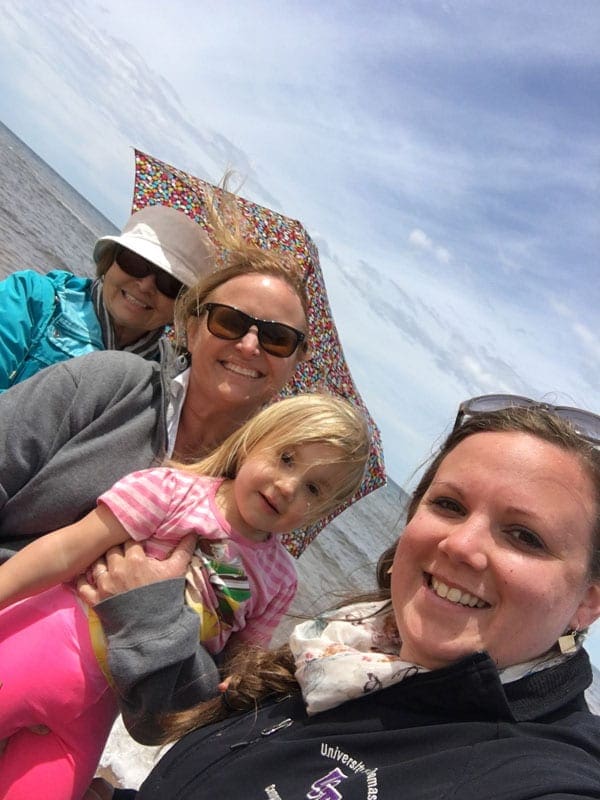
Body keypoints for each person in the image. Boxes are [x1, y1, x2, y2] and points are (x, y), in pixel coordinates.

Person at [95, 395, 600, 800]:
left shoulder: (539, 775)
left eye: (524, 537)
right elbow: (188, 727)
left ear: (589, 601)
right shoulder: (344, 651)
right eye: (448, 505)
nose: (462, 546)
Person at [0, 393, 369, 800]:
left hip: (101, 709)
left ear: (321, 512)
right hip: (46, 644)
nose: (288, 486)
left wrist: (235, 694)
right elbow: (66, 550)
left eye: (313, 488)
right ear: (254, 439)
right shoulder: (173, 491)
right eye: (286, 458)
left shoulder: (281, 580)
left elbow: (240, 663)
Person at [0, 204, 214, 390]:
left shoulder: (169, 383)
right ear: (109, 260)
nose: (146, 285)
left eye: (170, 284)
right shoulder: (33, 297)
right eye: (135, 262)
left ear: (181, 307)